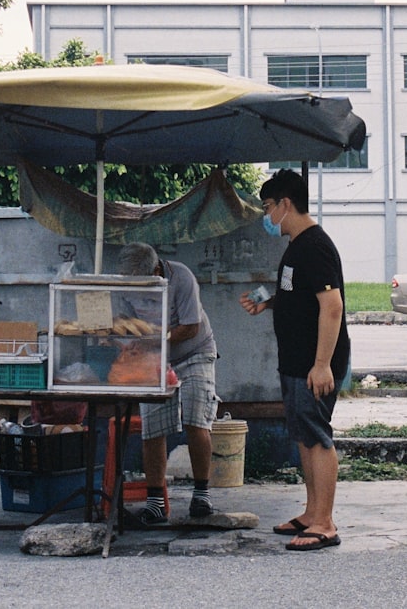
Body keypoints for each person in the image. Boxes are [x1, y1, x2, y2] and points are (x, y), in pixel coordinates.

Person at [239, 169, 350, 551]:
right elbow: (299, 297)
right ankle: (311, 512)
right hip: (296, 361)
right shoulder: (297, 245)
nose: (267, 216)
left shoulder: (315, 246)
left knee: (317, 437)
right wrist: (267, 303)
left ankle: (325, 523)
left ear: (286, 204)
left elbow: (331, 307)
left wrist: (322, 364)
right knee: (304, 436)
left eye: (268, 207)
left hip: (312, 364)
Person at [116, 242, 219, 525]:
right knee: (153, 425)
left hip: (194, 352)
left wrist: (155, 339)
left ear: (157, 270)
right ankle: (155, 503)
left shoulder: (182, 277)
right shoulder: (128, 285)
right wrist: (128, 342)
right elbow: (127, 322)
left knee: (196, 419)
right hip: (154, 354)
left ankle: (201, 494)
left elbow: (190, 326)